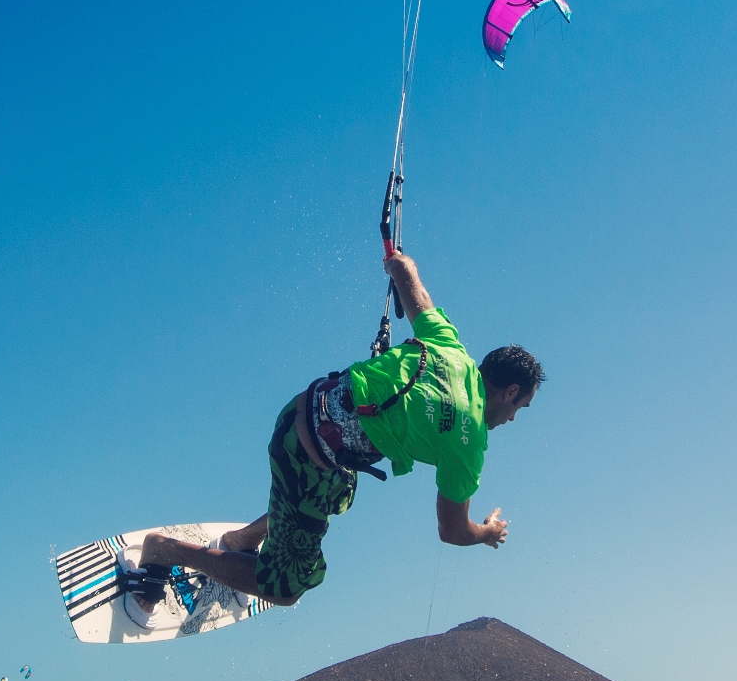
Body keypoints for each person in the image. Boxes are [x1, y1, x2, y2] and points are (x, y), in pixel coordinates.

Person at [123, 245, 541, 621]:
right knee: (284, 589)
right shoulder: (469, 445)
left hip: (300, 412)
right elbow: (452, 531)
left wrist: (398, 261)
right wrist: (487, 533)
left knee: (337, 491)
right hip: (306, 457)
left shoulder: (450, 347)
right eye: (520, 407)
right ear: (510, 391)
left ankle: (238, 541)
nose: (514, 418)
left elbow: (410, 281)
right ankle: (165, 551)